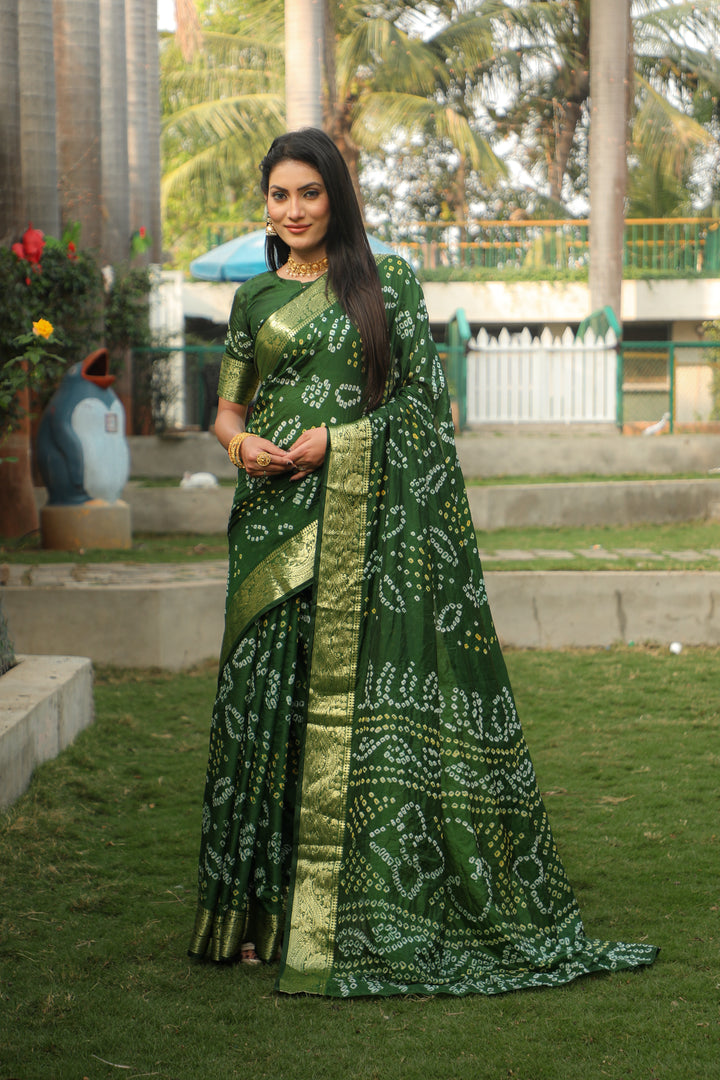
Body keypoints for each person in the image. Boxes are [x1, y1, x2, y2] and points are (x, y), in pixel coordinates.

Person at [188, 128, 657, 997]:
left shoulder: (385, 284)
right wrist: (243, 445)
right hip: (269, 521)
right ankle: (252, 911)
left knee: (344, 710)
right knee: (263, 703)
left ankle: (332, 910)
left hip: (362, 518)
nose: (293, 211)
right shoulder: (252, 300)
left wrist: (338, 441)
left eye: (309, 194)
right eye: (279, 196)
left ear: (337, 198)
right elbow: (226, 412)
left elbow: (419, 407)